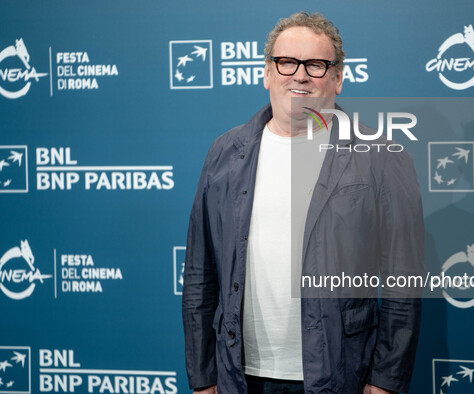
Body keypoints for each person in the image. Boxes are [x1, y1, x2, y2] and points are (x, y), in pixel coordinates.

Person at [182, 11, 424, 394]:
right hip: (240, 377)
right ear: (267, 72)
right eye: (286, 62)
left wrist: (385, 383)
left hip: (340, 375)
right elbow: (200, 273)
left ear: (338, 78)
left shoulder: (382, 155)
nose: (299, 75)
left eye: (315, 64)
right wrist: (203, 375)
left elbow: (402, 282)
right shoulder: (224, 154)